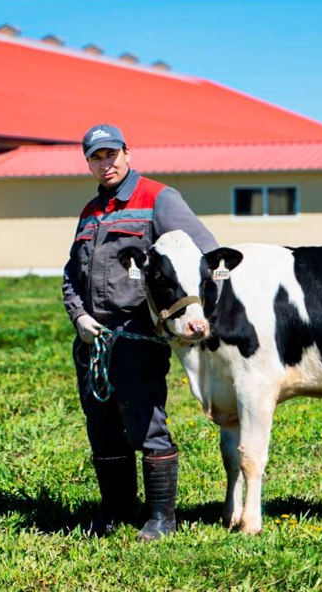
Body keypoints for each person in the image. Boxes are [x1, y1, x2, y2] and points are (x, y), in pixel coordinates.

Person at [62, 124, 218, 540]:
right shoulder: (90, 211)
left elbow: (203, 258)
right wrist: (78, 316)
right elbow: (70, 274)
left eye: (111, 154)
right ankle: (116, 511)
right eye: (96, 157)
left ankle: (162, 517)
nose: (105, 163)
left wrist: (175, 316)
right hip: (92, 340)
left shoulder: (159, 199)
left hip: (136, 338)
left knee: (146, 424)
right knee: (102, 426)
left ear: (128, 153)